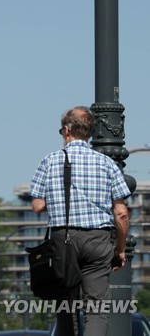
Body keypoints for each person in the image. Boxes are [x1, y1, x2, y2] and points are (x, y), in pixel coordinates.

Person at [29, 106, 131, 336]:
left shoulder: (50, 161)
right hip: (98, 240)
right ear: (90, 132)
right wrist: (120, 250)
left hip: (62, 240)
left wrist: (57, 199)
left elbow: (36, 206)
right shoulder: (107, 164)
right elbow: (121, 213)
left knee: (66, 306)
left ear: (66, 131)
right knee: (97, 310)